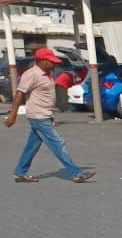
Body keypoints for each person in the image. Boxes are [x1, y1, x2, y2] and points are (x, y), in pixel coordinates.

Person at [5, 49, 95, 183]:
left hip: (44, 115)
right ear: (41, 61)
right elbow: (19, 94)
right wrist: (13, 115)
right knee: (57, 144)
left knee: (33, 145)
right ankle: (76, 173)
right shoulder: (31, 74)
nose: (54, 64)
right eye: (51, 62)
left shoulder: (47, 73)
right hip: (38, 116)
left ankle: (19, 173)